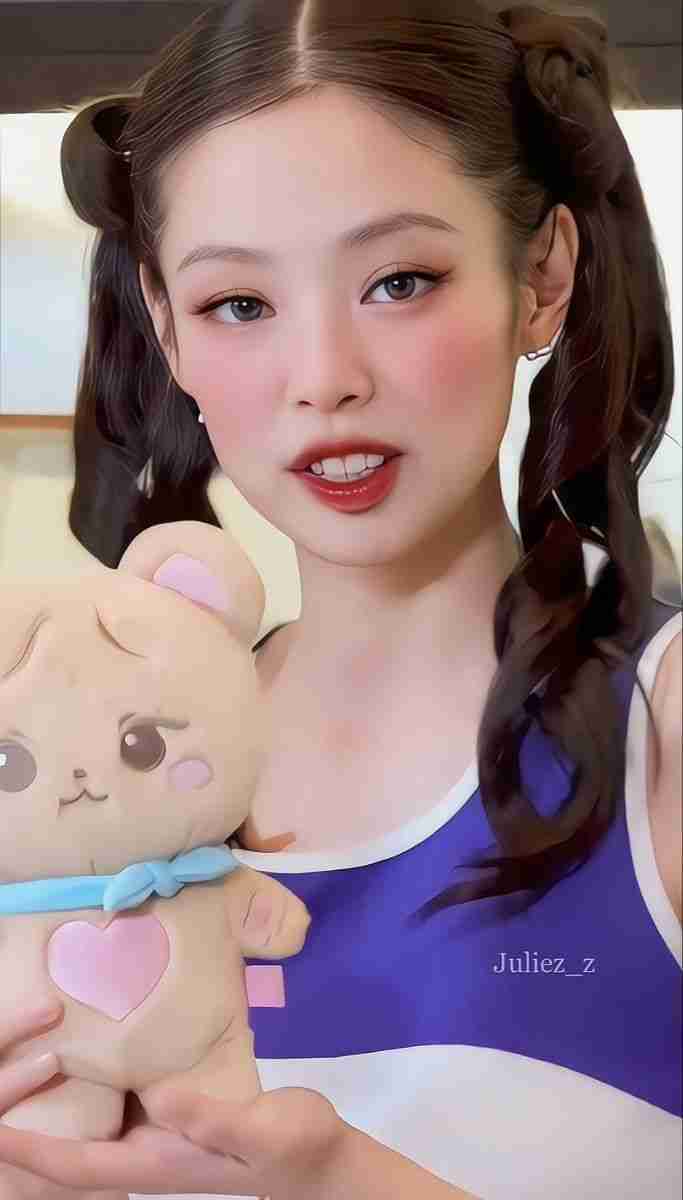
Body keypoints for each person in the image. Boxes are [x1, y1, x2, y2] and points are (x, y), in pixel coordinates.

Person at [0, 1, 680, 1197]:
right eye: (238, 304)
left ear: (540, 276)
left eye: (399, 281)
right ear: (165, 326)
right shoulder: (89, 774)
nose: (323, 380)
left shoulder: (661, 728)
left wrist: (341, 1182)